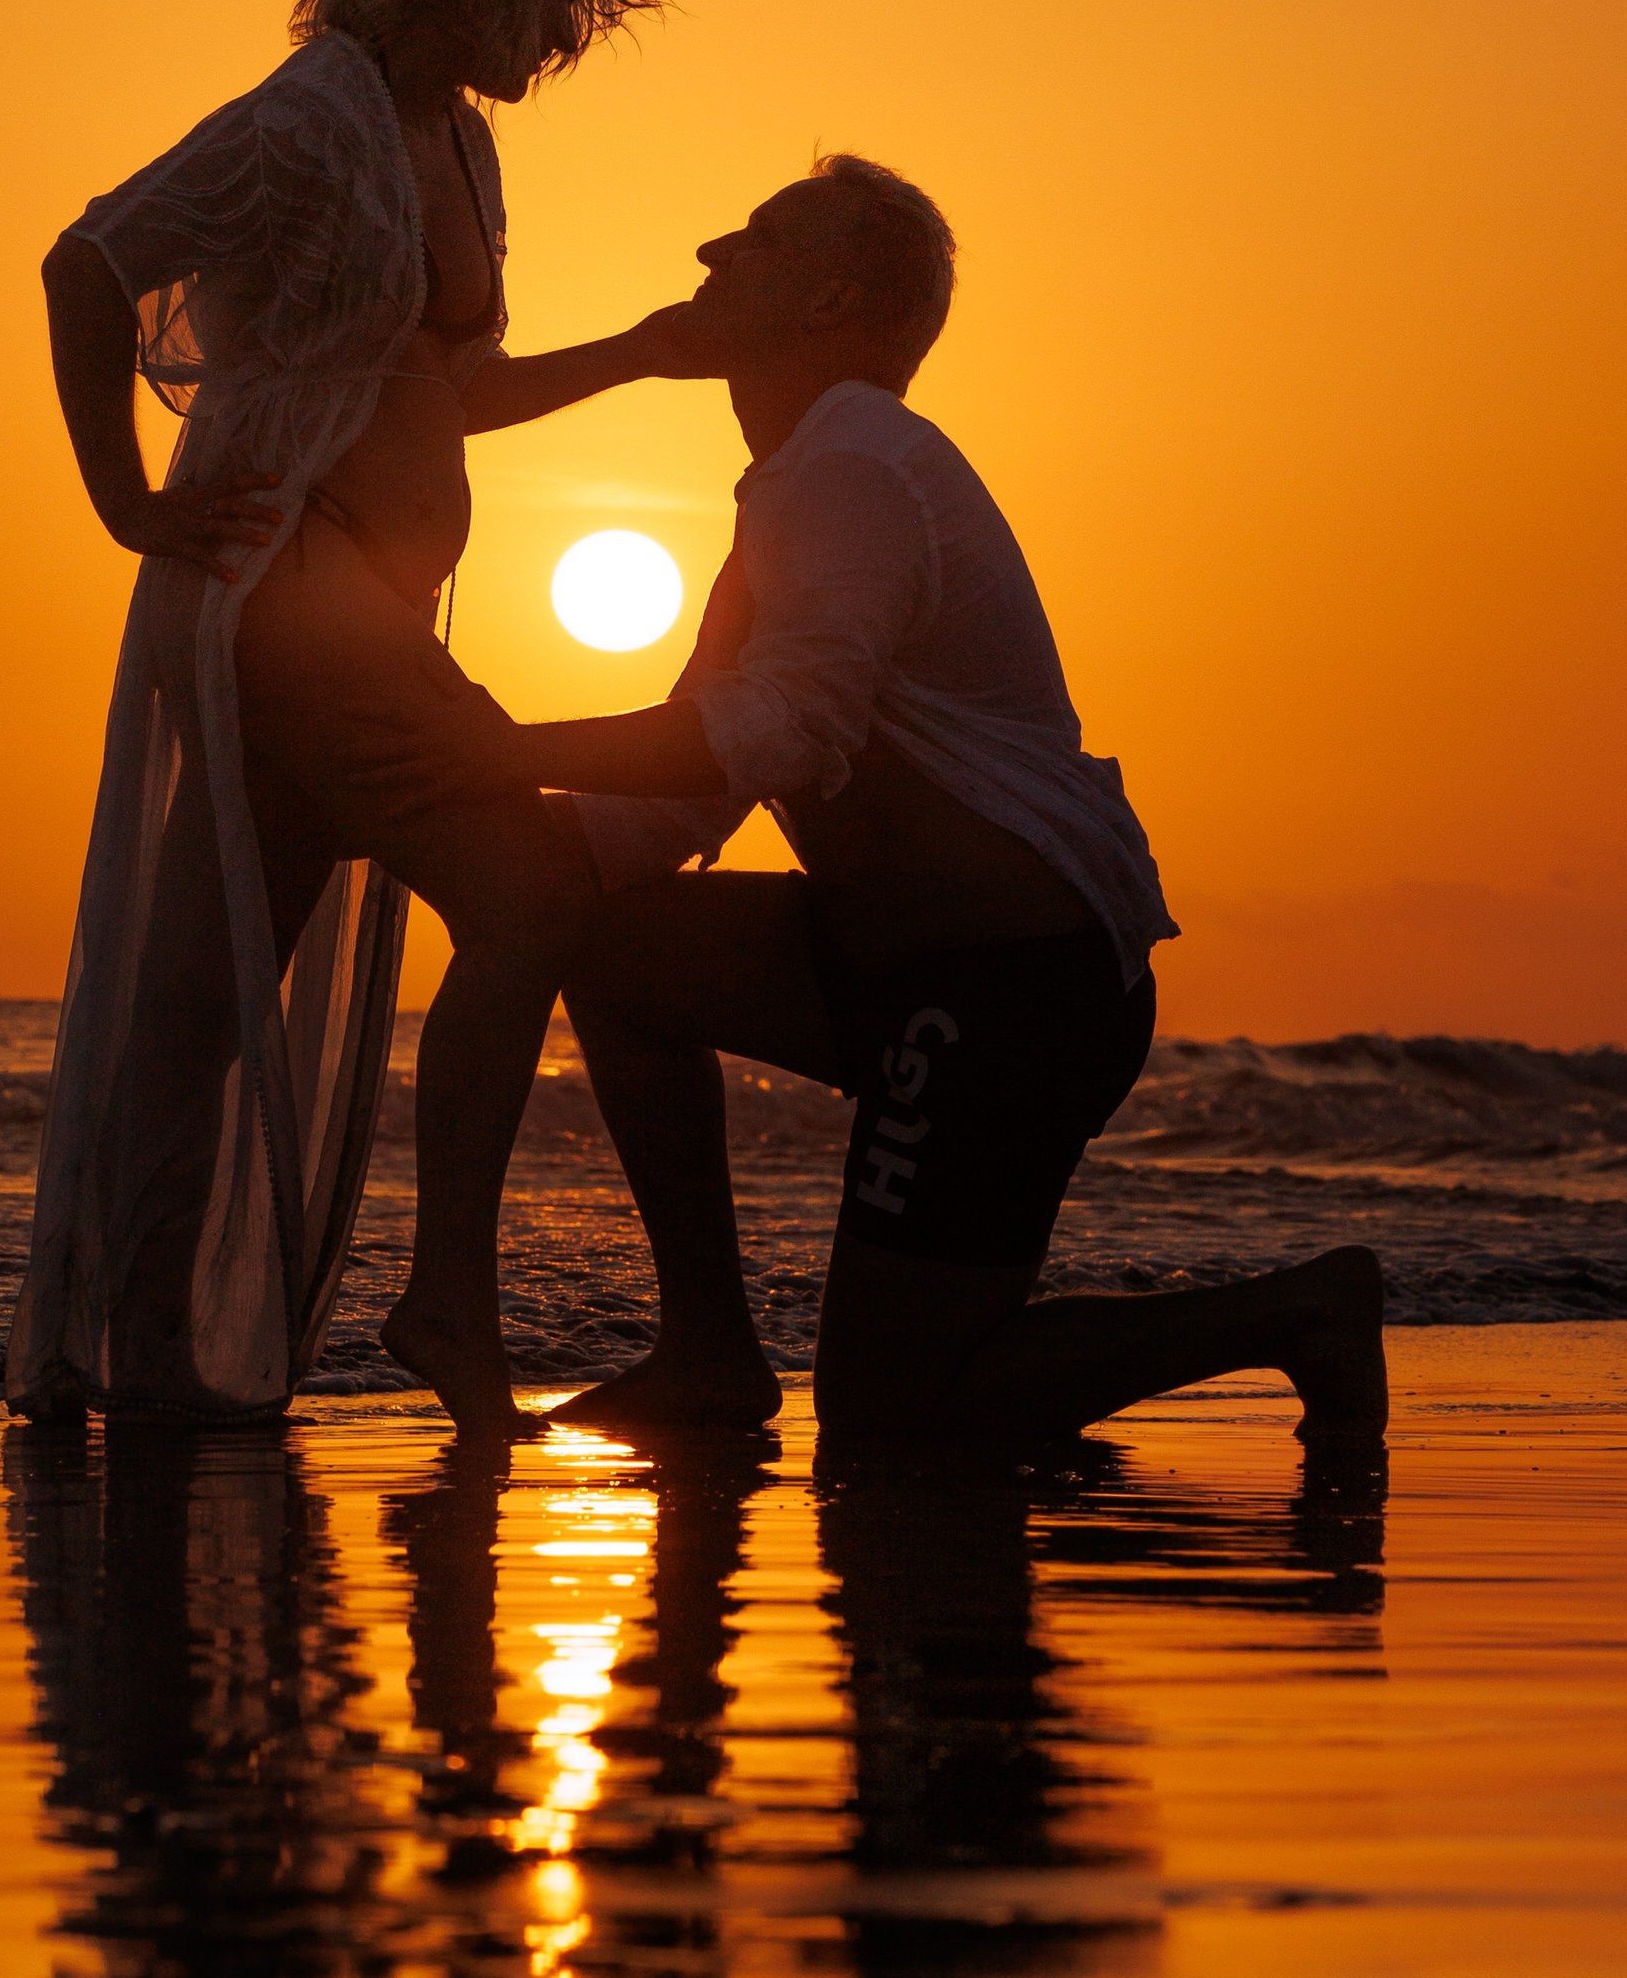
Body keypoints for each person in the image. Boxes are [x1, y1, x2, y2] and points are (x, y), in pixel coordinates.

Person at [377, 154, 1389, 1445]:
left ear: (831, 296)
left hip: (1020, 988)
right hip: (898, 964)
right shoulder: (795, 484)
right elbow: (680, 812)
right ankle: (707, 1352)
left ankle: (1297, 1314)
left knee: (895, 1417)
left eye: (759, 237)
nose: (709, 252)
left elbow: (780, 731)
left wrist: (503, 755)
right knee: (613, 943)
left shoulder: (853, 471)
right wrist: (459, 827)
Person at [8, 0, 718, 1438]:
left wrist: (639, 356)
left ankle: (130, 1363)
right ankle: (435, 1299)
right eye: (556, 2)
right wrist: (124, 502)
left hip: (351, 608)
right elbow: (89, 261)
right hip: (292, 607)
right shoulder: (313, 120)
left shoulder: (453, 141)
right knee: (530, 883)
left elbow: (442, 393)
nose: (563, 38)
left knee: (197, 987)